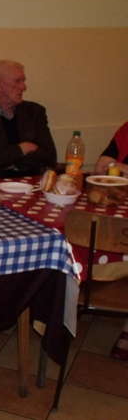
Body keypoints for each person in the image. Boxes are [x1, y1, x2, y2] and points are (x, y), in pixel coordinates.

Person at [94, 122, 128, 360]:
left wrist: (117, 168)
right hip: (118, 205)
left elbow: (112, 167)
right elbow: (101, 165)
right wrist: (116, 167)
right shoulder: (126, 130)